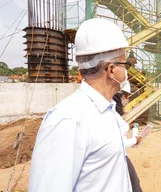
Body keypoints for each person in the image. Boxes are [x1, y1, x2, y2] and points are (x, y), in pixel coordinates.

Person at [28, 18, 134, 191]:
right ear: (111, 70)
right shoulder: (68, 120)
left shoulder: (107, 111)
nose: (127, 71)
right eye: (125, 64)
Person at [113, 83, 143, 192]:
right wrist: (135, 140)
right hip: (121, 157)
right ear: (119, 96)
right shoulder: (113, 116)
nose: (127, 100)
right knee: (135, 186)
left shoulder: (114, 114)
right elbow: (119, 143)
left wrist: (128, 126)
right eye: (126, 96)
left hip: (119, 157)